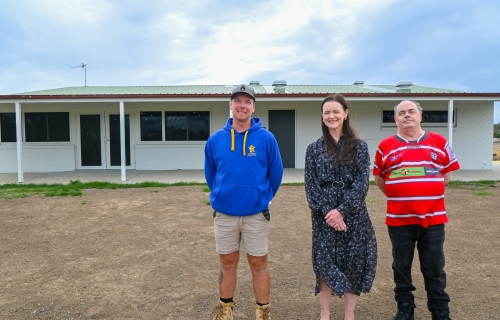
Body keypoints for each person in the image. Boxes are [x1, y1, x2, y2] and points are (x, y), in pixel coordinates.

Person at [373, 100, 460, 320]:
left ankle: (440, 310)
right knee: (401, 267)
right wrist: (402, 197)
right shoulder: (385, 146)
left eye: (411, 111)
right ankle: (405, 308)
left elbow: (446, 176)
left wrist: (426, 195)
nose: (407, 115)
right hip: (399, 220)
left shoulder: (439, 142)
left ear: (420, 115)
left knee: (434, 267)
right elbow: (379, 179)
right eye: (401, 113)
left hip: (433, 218)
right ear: (396, 119)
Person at [204, 84, 284, 320]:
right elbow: (211, 174)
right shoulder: (216, 139)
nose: (242, 105)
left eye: (247, 101)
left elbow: (276, 174)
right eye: (237, 101)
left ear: (253, 107)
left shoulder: (266, 138)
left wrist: (263, 197)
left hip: (255, 214)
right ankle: (225, 311)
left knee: (258, 263)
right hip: (225, 213)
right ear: (230, 105)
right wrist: (223, 194)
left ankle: (263, 313)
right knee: (227, 263)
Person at [304, 94, 377, 320]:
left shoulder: (359, 148)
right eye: (327, 112)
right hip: (323, 216)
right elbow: (311, 186)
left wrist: (342, 211)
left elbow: (361, 185)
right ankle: (324, 313)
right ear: (322, 116)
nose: (331, 116)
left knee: (353, 263)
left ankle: (349, 314)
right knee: (325, 263)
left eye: (336, 111)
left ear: (345, 114)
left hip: (353, 215)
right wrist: (330, 214)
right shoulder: (313, 149)